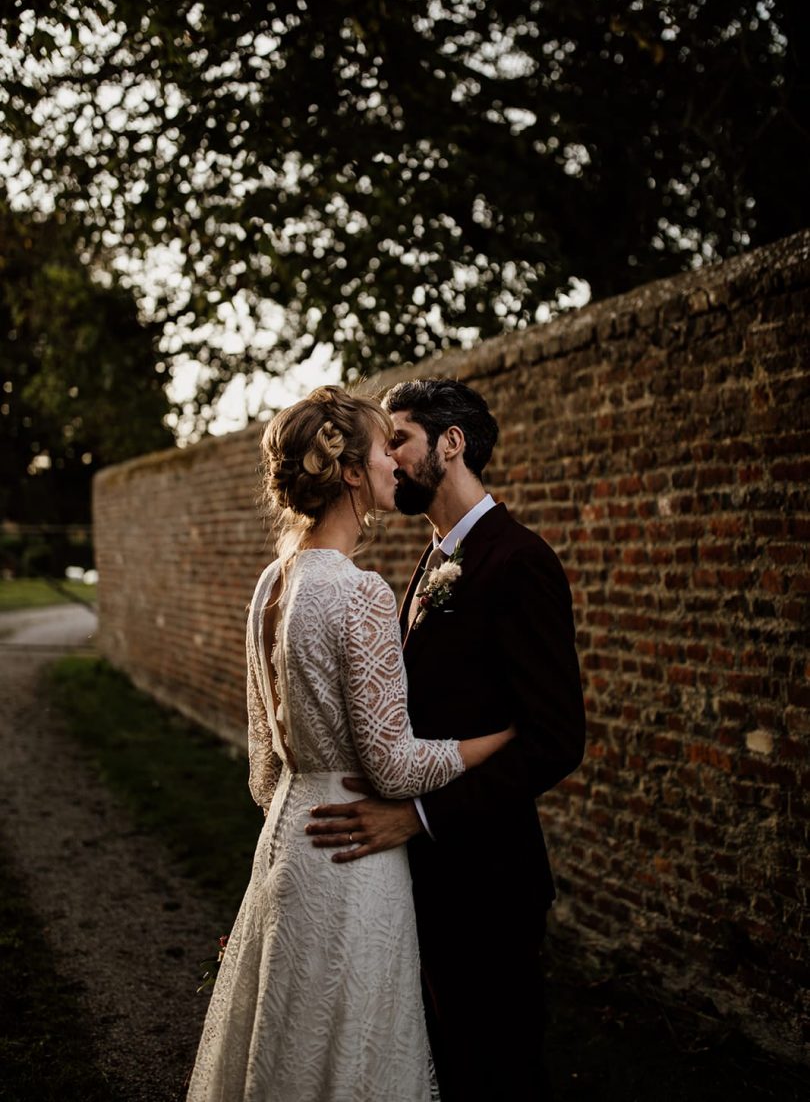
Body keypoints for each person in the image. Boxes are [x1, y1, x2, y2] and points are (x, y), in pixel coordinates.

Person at [186, 385, 515, 1102]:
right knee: (354, 1054)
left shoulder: (270, 585)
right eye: (381, 447)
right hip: (354, 855)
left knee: (286, 1046)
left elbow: (263, 772)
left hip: (288, 845)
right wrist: (491, 739)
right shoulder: (359, 592)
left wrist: (303, 810)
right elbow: (394, 766)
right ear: (352, 473)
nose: (395, 461)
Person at [306, 378, 586, 1101]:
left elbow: (554, 739)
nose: (389, 459)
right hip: (425, 877)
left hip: (489, 877)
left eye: (398, 437)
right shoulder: (429, 563)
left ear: (451, 442)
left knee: (500, 1068)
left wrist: (420, 816)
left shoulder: (519, 560)